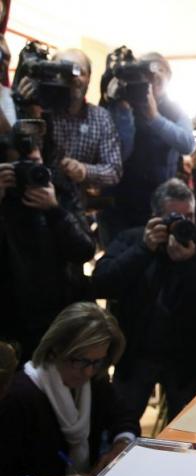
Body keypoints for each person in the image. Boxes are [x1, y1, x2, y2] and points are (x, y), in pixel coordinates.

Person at [92, 178, 196, 423]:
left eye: (190, 216)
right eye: (176, 217)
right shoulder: (133, 240)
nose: (184, 224)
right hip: (137, 353)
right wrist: (144, 249)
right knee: (120, 422)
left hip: (186, 359)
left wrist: (190, 264)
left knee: (187, 429)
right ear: (155, 217)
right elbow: (102, 283)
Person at [0, 302, 139, 476]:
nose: (88, 372)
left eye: (98, 362)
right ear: (55, 350)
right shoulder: (19, 396)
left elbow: (123, 415)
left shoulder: (93, 380)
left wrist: (119, 448)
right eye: (81, 361)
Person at [0, 142, 96, 363]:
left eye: (34, 163)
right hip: (11, 314)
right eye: (19, 167)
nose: (28, 172)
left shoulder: (60, 194)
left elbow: (84, 250)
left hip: (59, 312)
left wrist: (54, 211)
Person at [99, 52, 195, 245]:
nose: (155, 76)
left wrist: (154, 118)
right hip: (123, 200)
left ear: (169, 78)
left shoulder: (175, 109)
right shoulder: (122, 103)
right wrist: (125, 111)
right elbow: (120, 154)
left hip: (160, 201)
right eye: (149, 72)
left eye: (161, 71)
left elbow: (187, 144)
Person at [16, 48, 123, 193]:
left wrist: (84, 171)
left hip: (73, 207)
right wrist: (27, 111)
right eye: (65, 71)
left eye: (80, 71)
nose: (74, 78)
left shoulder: (101, 118)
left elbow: (114, 171)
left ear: (89, 78)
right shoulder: (40, 109)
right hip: (34, 197)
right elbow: (20, 156)